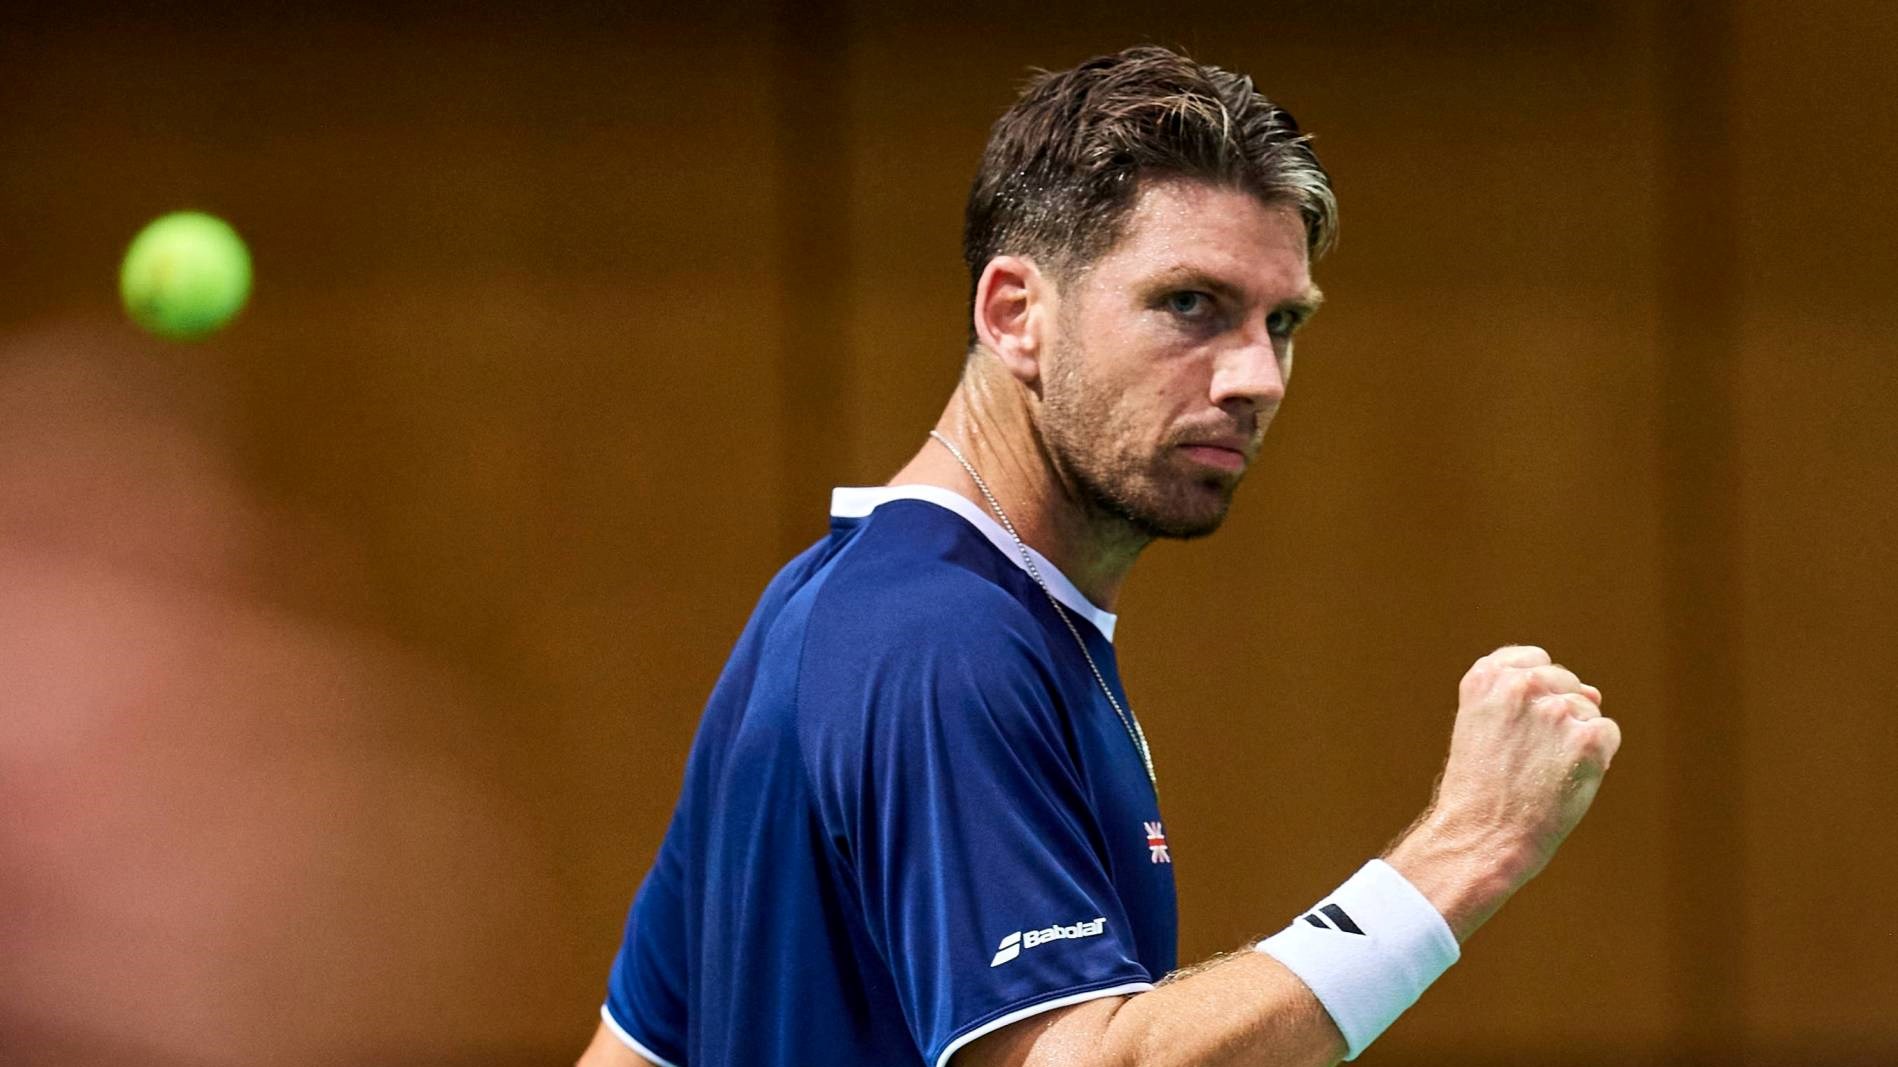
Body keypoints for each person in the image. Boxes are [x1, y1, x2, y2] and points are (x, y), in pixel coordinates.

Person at [577, 44, 1621, 1067]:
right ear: (1015, 314)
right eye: (1190, 305)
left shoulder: (826, 606)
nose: (1255, 375)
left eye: (1282, 320)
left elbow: (632, 1049)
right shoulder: (941, 640)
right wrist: (1464, 847)